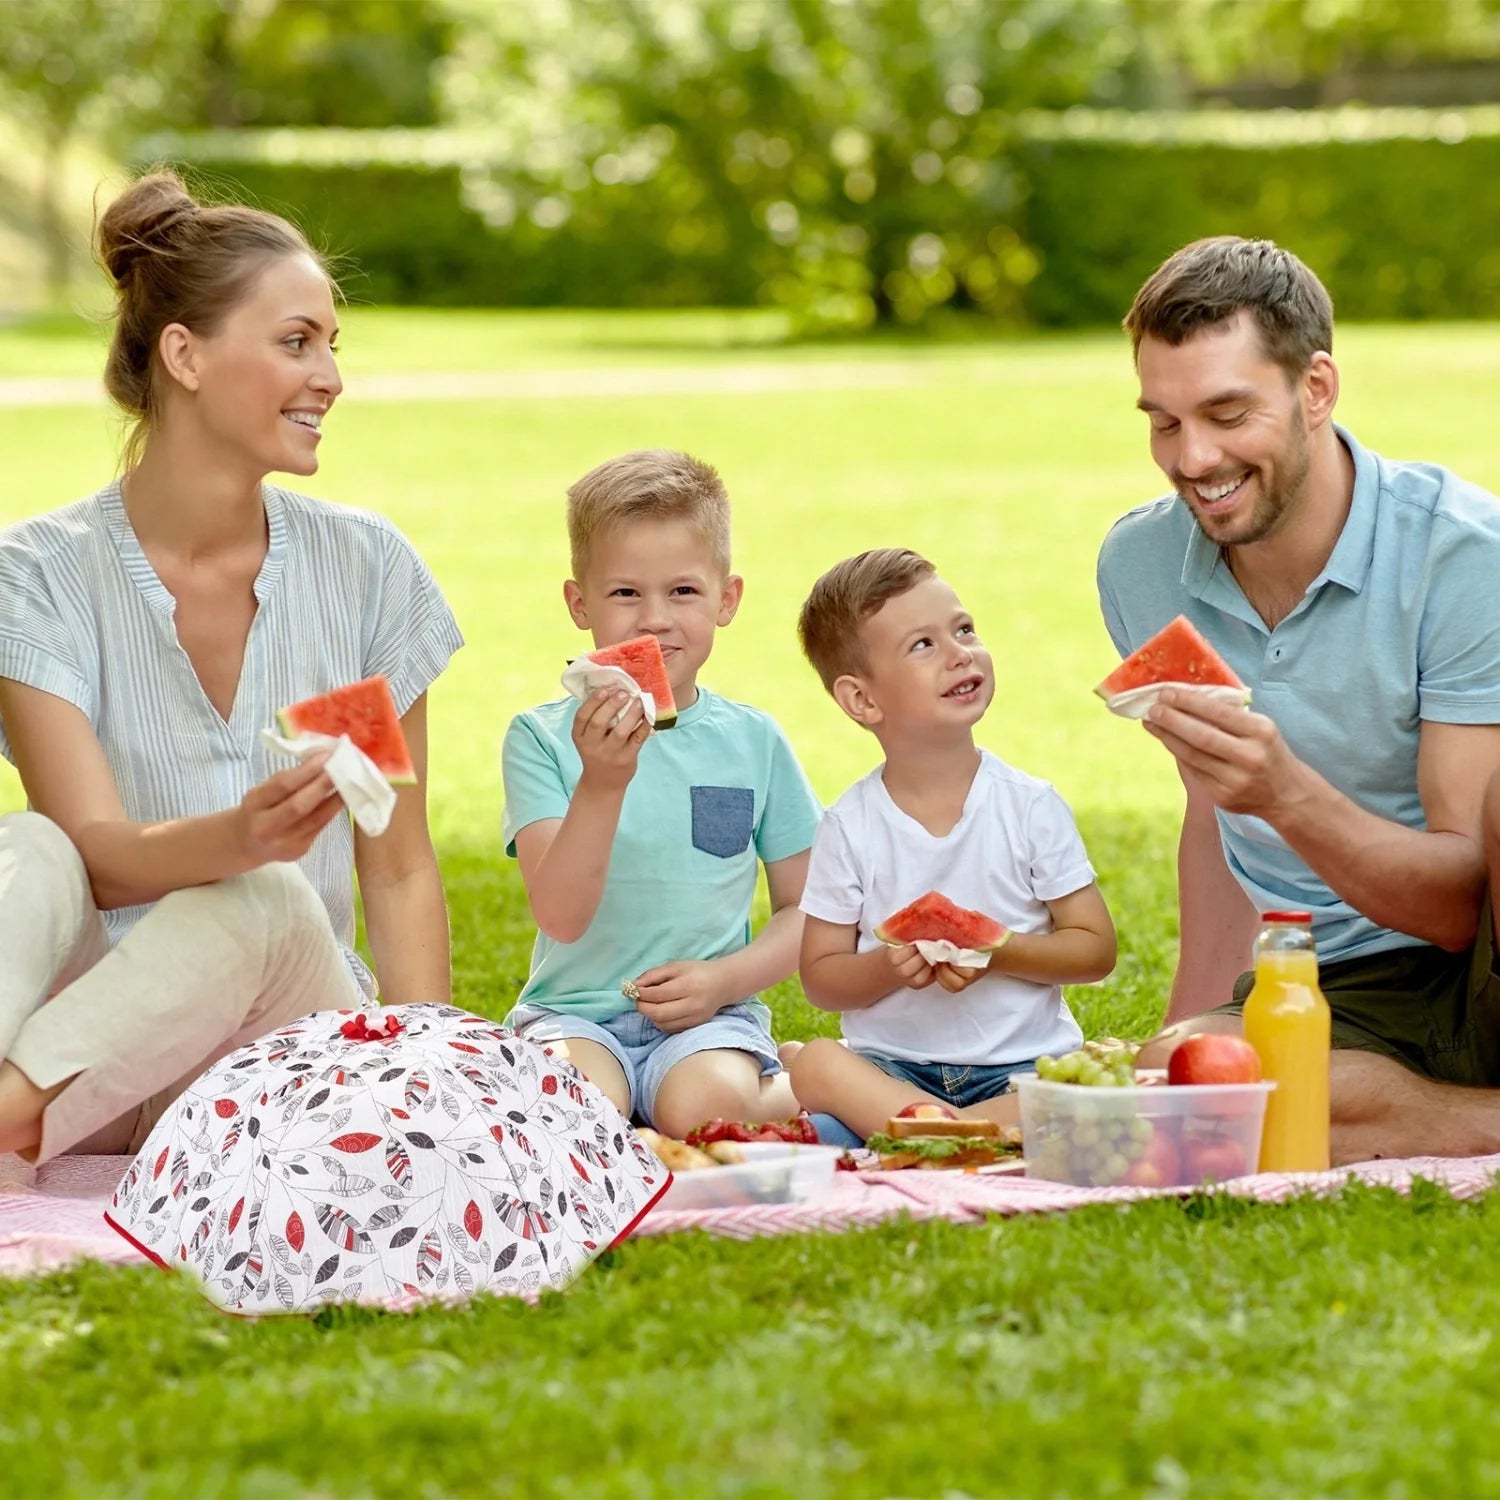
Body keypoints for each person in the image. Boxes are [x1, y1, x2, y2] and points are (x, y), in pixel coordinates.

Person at [0, 171, 462, 1164]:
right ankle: (22, 1109)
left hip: (291, 1060)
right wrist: (240, 831)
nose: (331, 376)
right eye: (297, 341)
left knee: (268, 896)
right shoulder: (34, 577)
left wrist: (434, 1090)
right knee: (27, 847)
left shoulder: (365, 572)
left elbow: (398, 863)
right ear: (185, 356)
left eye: (332, 345)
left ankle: (13, 1120)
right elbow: (95, 851)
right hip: (105, 1061)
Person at [1097, 235, 1500, 1163]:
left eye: (1227, 413)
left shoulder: (1460, 557)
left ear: (1315, 390)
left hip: (1481, 959)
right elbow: (1214, 809)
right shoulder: (1141, 566)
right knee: (1189, 1083)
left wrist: (1284, 789)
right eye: (1163, 422)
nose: (1193, 459)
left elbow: (1459, 907)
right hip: (1334, 978)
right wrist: (1186, 1030)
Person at [500, 450, 821, 1138]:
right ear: (578, 603)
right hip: (572, 1015)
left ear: (726, 599)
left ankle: (795, 1077)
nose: (653, 620)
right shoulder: (540, 739)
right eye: (624, 594)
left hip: (712, 1020)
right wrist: (602, 782)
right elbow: (559, 915)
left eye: (682, 592)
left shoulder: (755, 741)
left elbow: (809, 908)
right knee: (576, 1115)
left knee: (704, 1113)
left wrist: (725, 982)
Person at [789, 549, 1116, 1141]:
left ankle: (940, 1134)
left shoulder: (1030, 805)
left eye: (963, 629)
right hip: (891, 1070)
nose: (961, 652)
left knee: (1087, 1087)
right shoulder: (849, 824)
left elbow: (1094, 950)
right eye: (924, 645)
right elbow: (821, 977)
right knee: (816, 1062)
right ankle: (973, 1134)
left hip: (1021, 1069)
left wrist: (999, 950)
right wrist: (889, 966)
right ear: (862, 700)